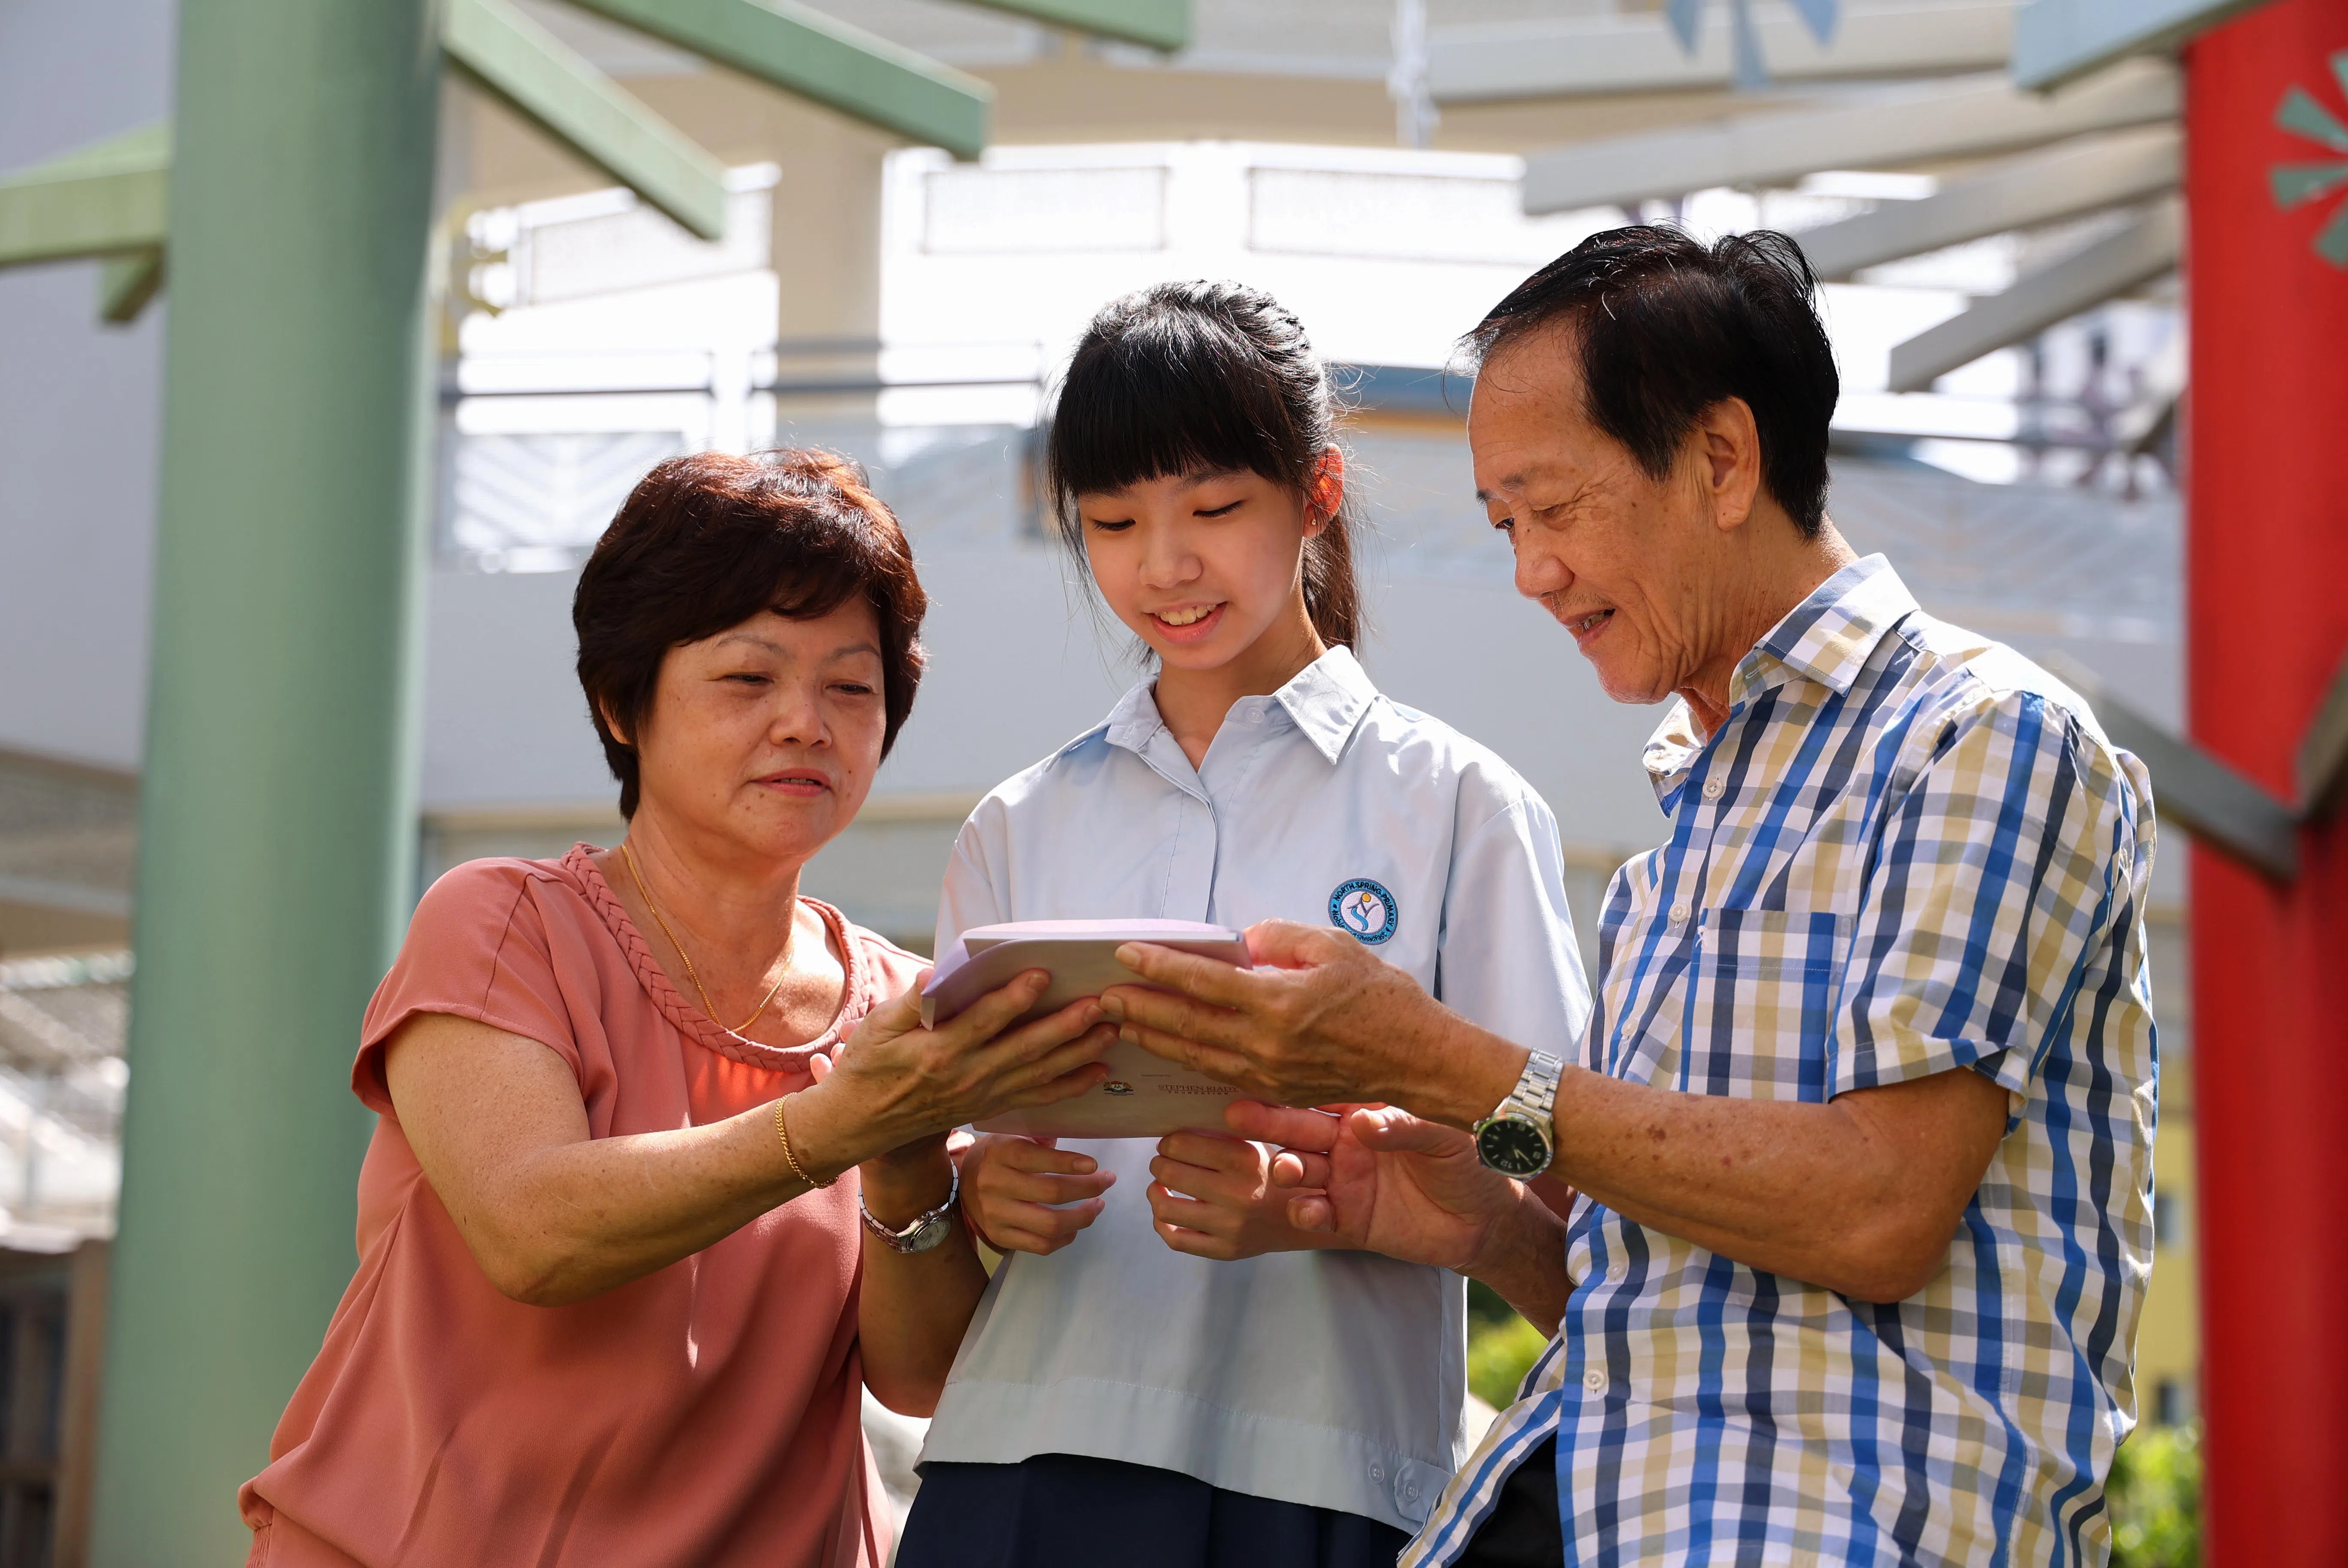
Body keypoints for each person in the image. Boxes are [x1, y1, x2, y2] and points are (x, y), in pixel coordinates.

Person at [1100, 230, 2160, 1565]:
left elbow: (1880, 1211)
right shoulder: (1675, 850)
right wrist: (1487, 1227)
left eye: (1554, 508)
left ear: (1722, 459)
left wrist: (1447, 1063)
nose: (1531, 571)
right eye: (1505, 526)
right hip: (1590, 1512)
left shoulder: (1982, 738)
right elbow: (1671, 1317)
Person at [239, 450, 1115, 1568]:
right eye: (748, 680)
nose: (807, 723)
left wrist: (911, 1180)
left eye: (852, 687)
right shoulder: (505, 925)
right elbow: (534, 1233)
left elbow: (920, 1380)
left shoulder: (900, 1007)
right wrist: (840, 1126)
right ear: (622, 702)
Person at [891, 282, 1593, 1568]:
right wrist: (985, 1185)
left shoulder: (1455, 805)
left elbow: (1549, 1167)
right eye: (1113, 522)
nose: (1164, 565)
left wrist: (1329, 1190)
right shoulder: (1018, 823)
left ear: (1317, 494)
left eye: (1215, 509)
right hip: (1019, 1459)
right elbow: (962, 1134)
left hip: (1318, 1466)